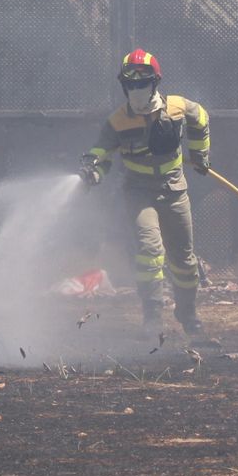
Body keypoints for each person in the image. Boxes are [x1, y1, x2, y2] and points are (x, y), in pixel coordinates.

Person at [79, 49, 210, 340]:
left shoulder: (177, 108)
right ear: (125, 87)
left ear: (155, 83)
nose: (137, 90)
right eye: (131, 84)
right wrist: (92, 172)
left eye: (143, 83)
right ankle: (152, 317)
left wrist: (200, 155)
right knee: (150, 253)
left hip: (174, 191)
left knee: (184, 259)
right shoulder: (118, 121)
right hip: (139, 194)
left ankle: (188, 314)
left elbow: (201, 118)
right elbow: (102, 154)